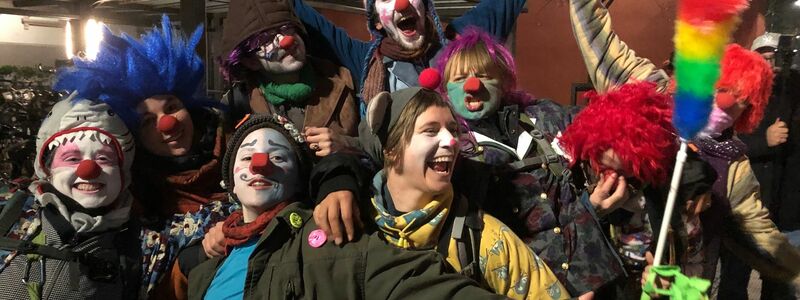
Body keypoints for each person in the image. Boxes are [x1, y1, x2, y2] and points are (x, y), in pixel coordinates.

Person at [187, 113, 506, 300]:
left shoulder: (324, 240)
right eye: (246, 157)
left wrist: (337, 178)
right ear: (229, 180)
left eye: (279, 156)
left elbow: (416, 282)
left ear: (299, 178)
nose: (260, 164)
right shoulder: (205, 269)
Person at [559, 81, 800, 297]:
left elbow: (693, 269)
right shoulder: (576, 181)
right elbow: (558, 248)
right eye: (603, 168)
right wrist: (591, 211)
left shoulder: (677, 194)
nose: (613, 180)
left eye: (626, 173)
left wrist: (670, 285)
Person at [434, 27, 624, 296]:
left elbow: (611, 130)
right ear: (445, 88)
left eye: (484, 75)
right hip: (533, 289)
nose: (472, 84)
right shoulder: (448, 152)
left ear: (503, 81)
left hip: (597, 276)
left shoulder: (545, 116)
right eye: (460, 77)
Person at [53, 16, 233, 298]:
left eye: (171, 107)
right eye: (148, 121)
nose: (167, 124)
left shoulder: (239, 150)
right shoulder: (130, 196)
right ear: (134, 135)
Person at [353, 74, 569, 299]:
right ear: (391, 149)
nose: (452, 141)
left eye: (453, 130)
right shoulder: (354, 223)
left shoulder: (488, 240)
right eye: (430, 130)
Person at [0, 95, 140, 299]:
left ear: (122, 172)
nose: (88, 169)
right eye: (72, 158)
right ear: (48, 170)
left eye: (103, 158)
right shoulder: (9, 215)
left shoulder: (145, 245)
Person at [291, 0, 526, 106]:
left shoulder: (461, 40)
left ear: (425, 7)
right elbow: (305, 17)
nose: (401, 4)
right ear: (378, 22)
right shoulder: (365, 60)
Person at [219, 0, 360, 157]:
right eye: (266, 39)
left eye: (287, 28)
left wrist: (348, 145)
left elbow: (379, 149)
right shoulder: (237, 102)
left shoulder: (344, 80)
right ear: (251, 61)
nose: (286, 41)